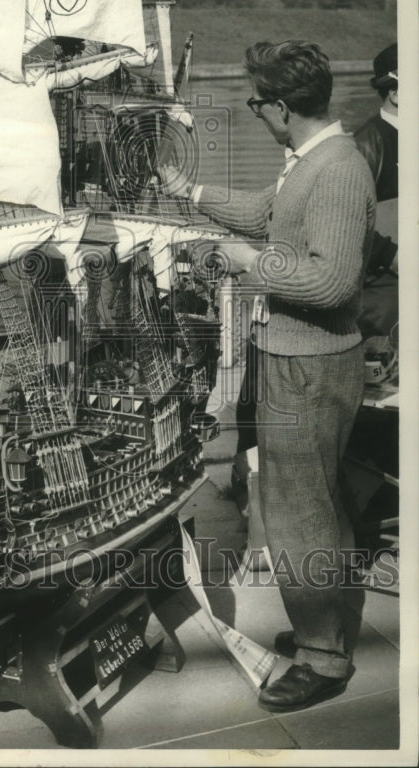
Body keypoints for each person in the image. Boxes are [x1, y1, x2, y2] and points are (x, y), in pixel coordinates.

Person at [159, 41, 375, 712]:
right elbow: (270, 215)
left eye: (258, 103)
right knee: (315, 503)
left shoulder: (336, 171)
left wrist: (251, 262)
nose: (255, 114)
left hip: (307, 367)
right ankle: (325, 628)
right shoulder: (311, 162)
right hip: (297, 357)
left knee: (296, 514)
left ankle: (322, 658)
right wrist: (190, 193)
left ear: (283, 107)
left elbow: (332, 279)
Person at [353, 42, 398, 339]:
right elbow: (350, 221)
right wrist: (392, 256)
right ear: (396, 94)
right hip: (386, 281)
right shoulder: (368, 142)